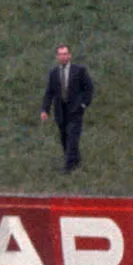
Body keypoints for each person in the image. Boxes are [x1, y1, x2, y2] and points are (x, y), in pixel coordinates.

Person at [39, 46, 96, 174]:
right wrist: (45, 110)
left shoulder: (79, 71)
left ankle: (68, 167)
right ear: (57, 57)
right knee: (64, 137)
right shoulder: (54, 73)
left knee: (72, 137)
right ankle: (76, 161)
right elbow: (49, 93)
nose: (63, 57)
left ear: (70, 55)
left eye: (65, 54)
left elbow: (89, 88)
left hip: (75, 111)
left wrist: (83, 104)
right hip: (60, 111)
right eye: (61, 54)